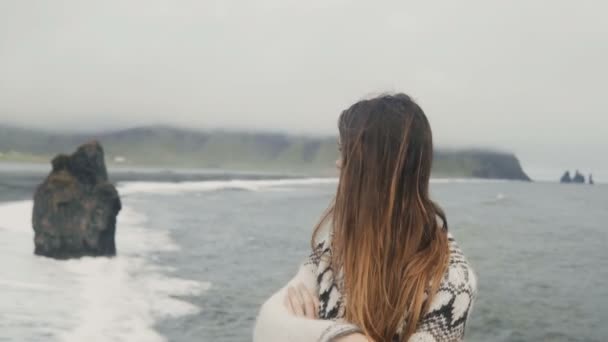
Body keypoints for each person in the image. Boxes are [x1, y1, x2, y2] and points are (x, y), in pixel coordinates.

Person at [254, 93, 477, 342]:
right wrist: (345, 338)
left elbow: (285, 329)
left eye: (348, 152)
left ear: (377, 168)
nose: (339, 163)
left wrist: (306, 331)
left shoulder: (451, 278)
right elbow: (268, 323)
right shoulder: (336, 244)